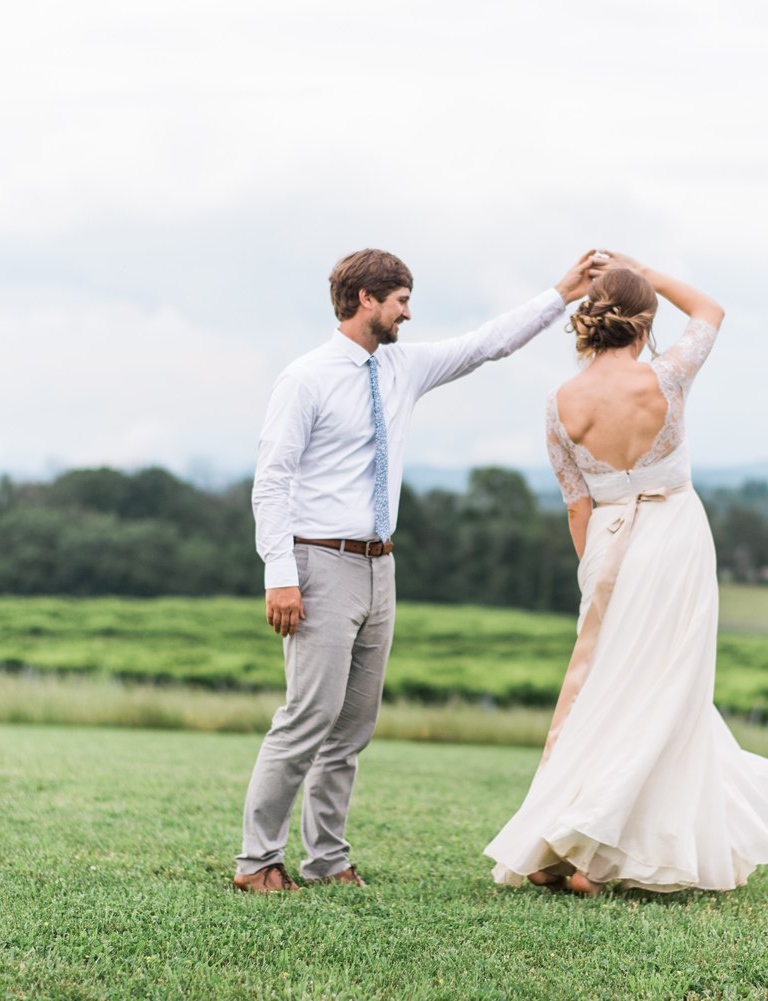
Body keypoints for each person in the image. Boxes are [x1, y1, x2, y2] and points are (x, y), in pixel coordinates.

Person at [235, 247, 603, 892]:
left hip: (381, 568)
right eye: (400, 299)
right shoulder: (306, 378)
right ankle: (257, 861)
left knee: (352, 728)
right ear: (365, 301)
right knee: (305, 719)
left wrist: (562, 293)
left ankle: (326, 861)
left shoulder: (401, 367)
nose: (409, 311)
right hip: (318, 563)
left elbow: (488, 344)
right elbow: (272, 484)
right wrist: (279, 574)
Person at [484, 252, 768, 895]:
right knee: (666, 689)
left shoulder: (559, 404)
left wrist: (596, 573)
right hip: (673, 539)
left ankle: (563, 843)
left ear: (589, 318)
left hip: (608, 547)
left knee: (598, 690)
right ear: (644, 322)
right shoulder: (667, 378)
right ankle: (592, 847)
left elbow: (576, 504)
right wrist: (644, 271)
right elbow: (711, 311)